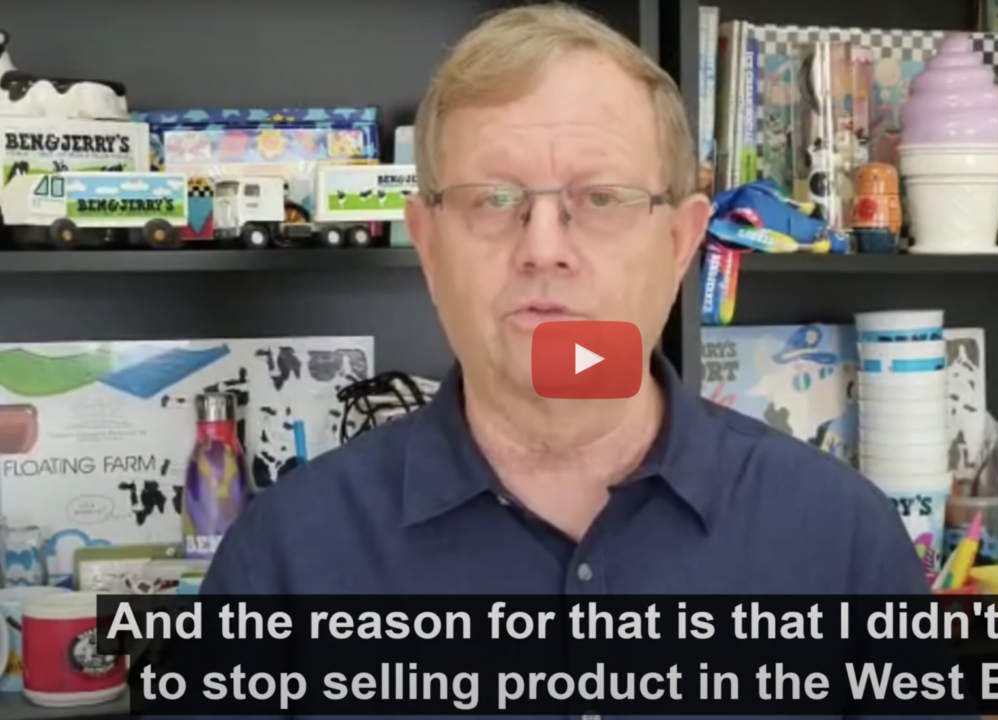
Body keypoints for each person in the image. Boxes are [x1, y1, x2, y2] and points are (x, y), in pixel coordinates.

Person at [201, 3, 929, 599]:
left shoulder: (843, 541)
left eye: (601, 198)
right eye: (494, 199)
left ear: (680, 242)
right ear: (427, 243)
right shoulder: (282, 559)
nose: (543, 247)